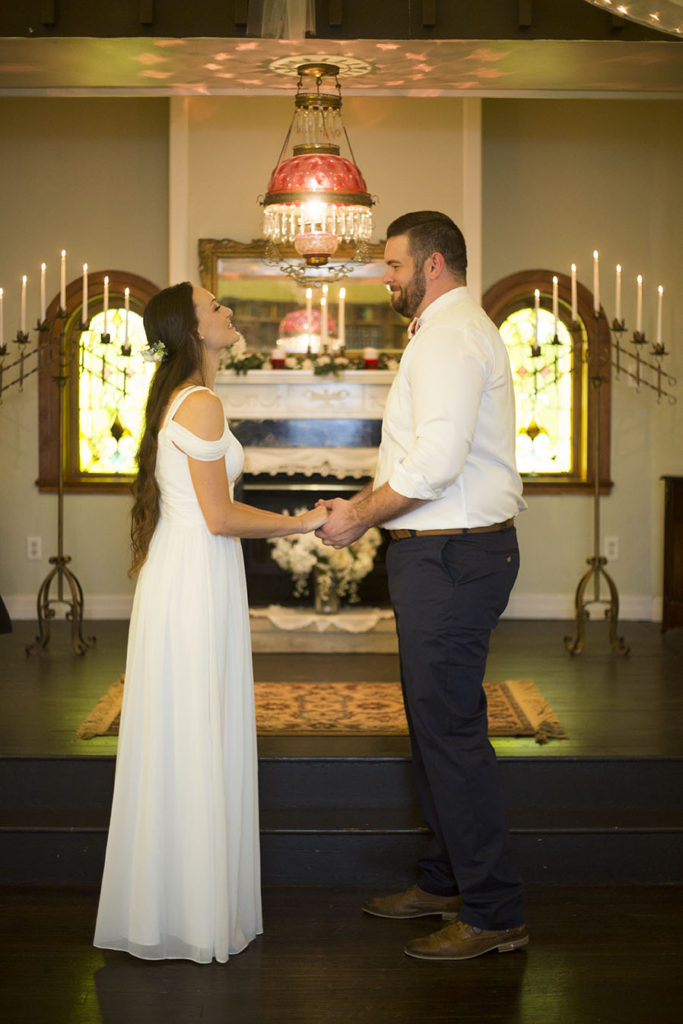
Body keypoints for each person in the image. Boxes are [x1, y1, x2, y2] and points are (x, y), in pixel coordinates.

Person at [316, 211, 528, 961]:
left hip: (451, 557)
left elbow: (435, 463)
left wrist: (357, 517)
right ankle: (443, 882)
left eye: (395, 265)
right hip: (443, 554)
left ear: (433, 265)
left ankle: (493, 910)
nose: (386, 277)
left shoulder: (449, 338)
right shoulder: (446, 334)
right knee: (435, 730)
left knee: (452, 736)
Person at [94, 282, 326, 964]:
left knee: (187, 729)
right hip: (195, 575)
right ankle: (191, 915)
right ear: (194, 329)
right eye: (215, 306)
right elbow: (220, 516)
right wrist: (304, 520)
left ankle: (178, 905)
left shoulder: (187, 399)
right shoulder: (200, 403)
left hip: (193, 570)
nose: (228, 311)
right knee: (194, 727)